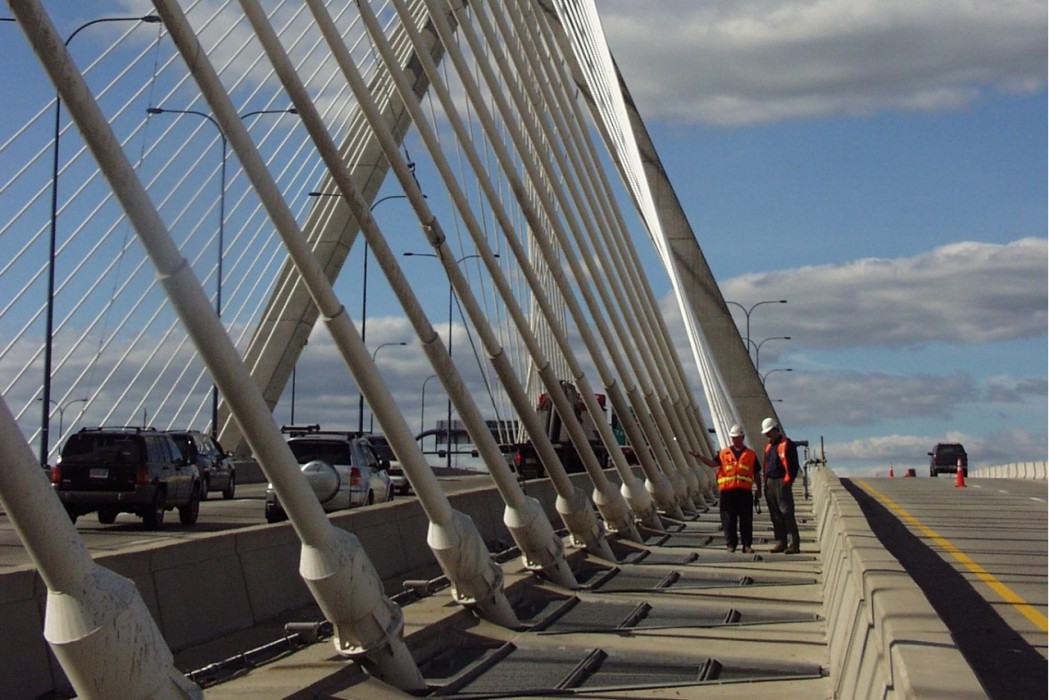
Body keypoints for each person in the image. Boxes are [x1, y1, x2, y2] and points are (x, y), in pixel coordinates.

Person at [691, 424, 760, 553]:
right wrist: (700, 457)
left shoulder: (751, 454)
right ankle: (731, 544)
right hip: (728, 492)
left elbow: (756, 473)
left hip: (744, 492)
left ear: (742, 438)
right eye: (733, 438)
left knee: (746, 519)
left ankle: (747, 545)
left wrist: (759, 490)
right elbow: (713, 464)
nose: (734, 440)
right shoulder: (723, 453)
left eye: (737, 438)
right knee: (728, 520)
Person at [760, 417, 801, 554]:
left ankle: (793, 543)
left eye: (769, 432)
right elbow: (766, 465)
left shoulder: (787, 444)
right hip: (770, 482)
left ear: (775, 430)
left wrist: (787, 481)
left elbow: (793, 465)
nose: (767, 435)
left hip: (781, 481)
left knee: (786, 512)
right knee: (775, 514)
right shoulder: (769, 446)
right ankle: (781, 541)